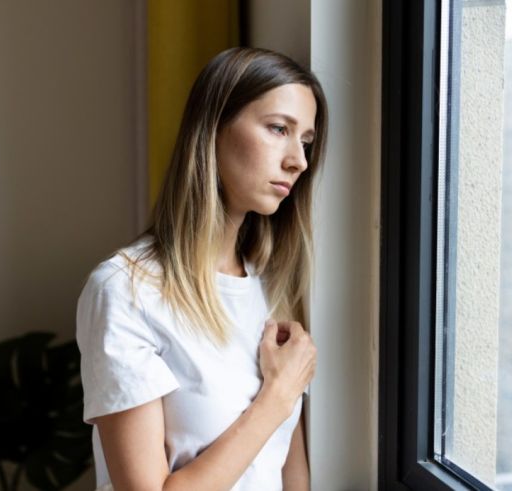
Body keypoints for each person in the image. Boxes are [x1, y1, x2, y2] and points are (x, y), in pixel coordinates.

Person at [75, 46, 328, 491]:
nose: (299, 160)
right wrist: (278, 396)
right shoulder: (126, 291)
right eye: (277, 129)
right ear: (212, 129)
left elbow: (290, 474)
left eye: (305, 141)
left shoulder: (272, 285)